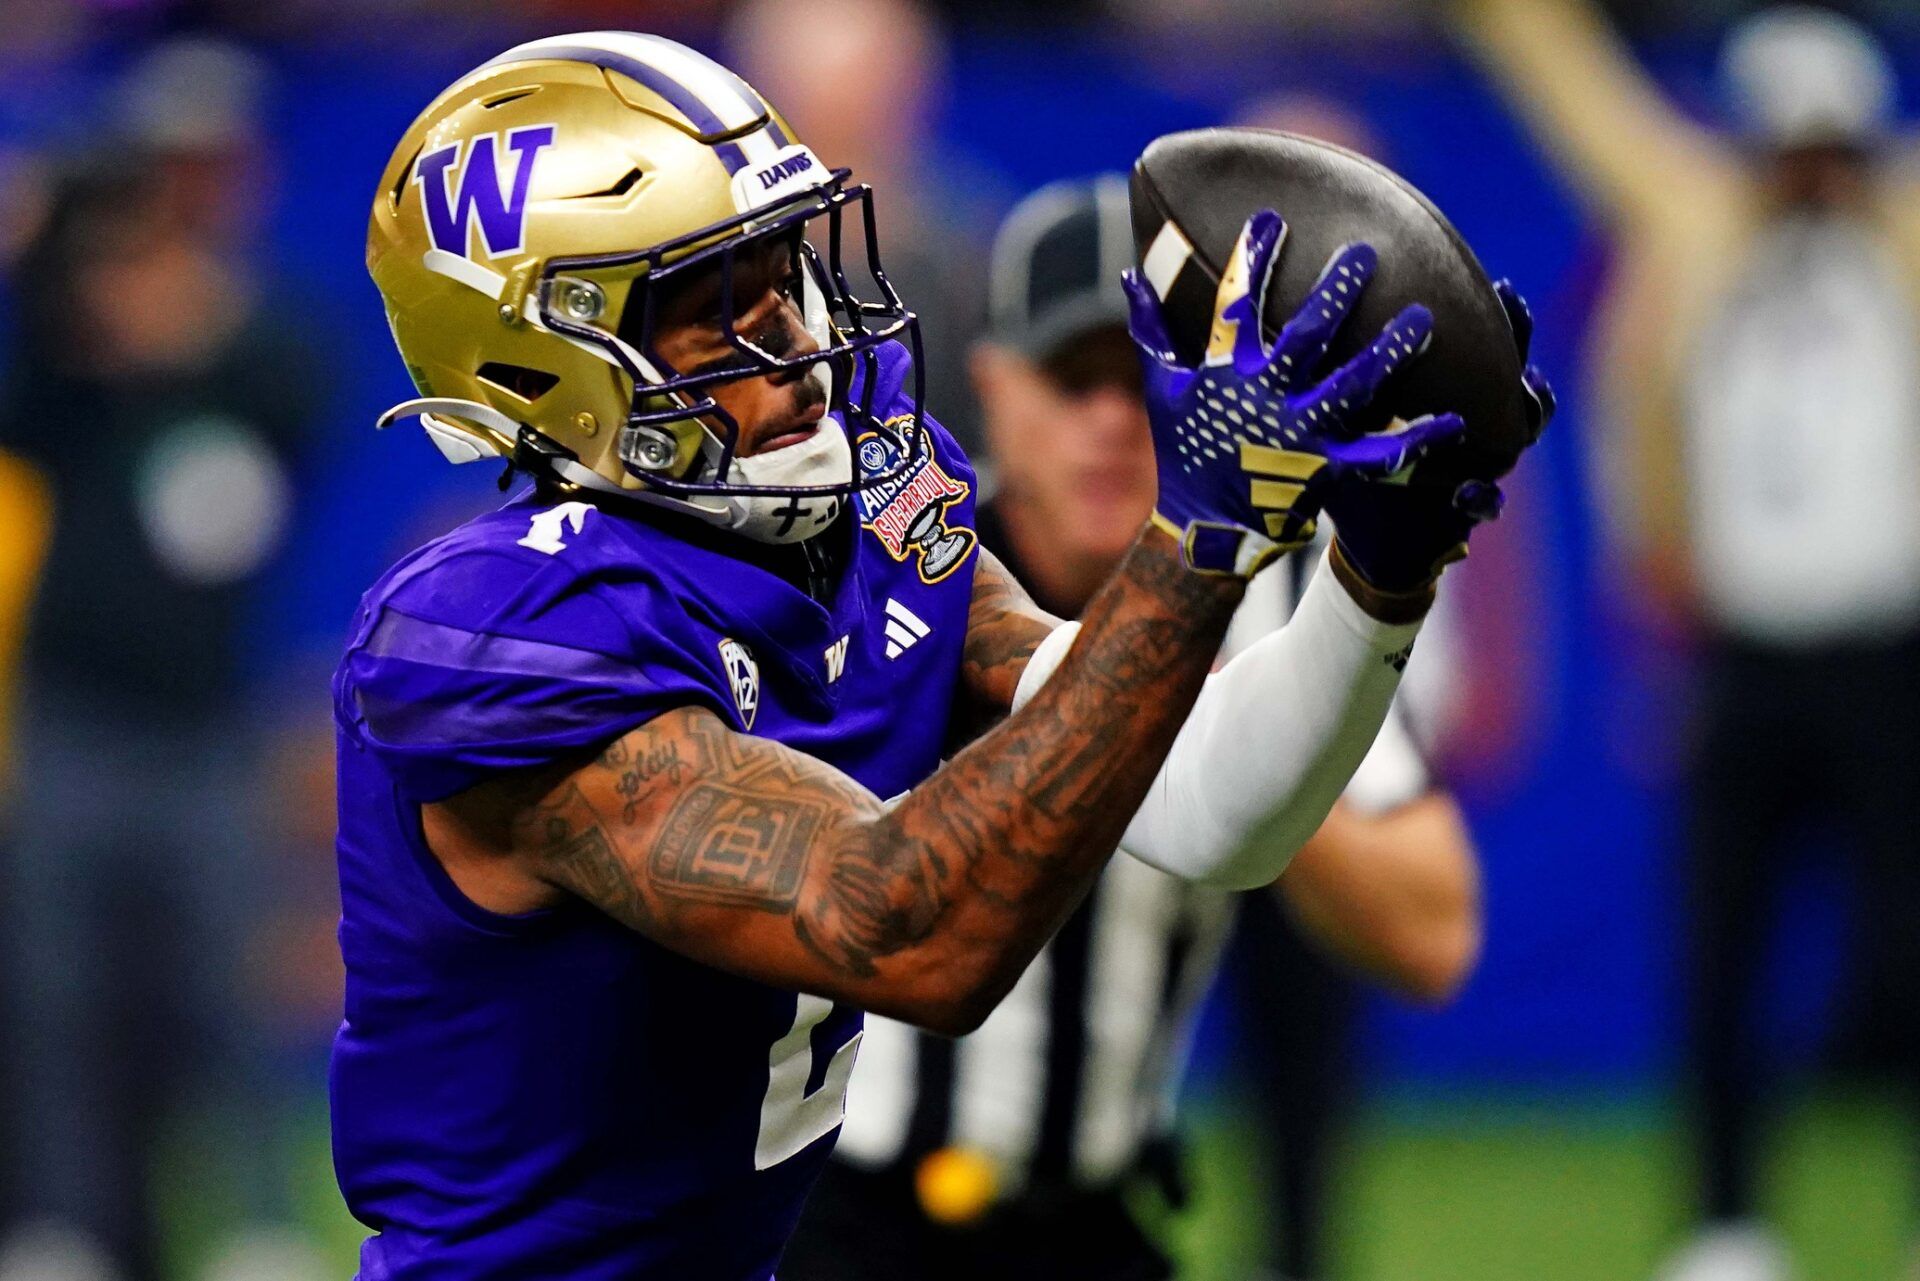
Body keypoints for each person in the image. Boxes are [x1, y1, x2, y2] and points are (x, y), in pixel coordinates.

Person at [338, 32, 1547, 1279]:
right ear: (547, 361)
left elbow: (1194, 805)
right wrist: (1196, 544)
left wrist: (1375, 584)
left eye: (782, 263)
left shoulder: (861, 502)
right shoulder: (500, 632)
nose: (789, 327)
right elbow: (906, 929)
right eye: (712, 301)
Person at [778, 176, 1486, 1281]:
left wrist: (1246, 753)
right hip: (853, 1211)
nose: (1117, 424)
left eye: (1155, 388)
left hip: (1092, 1215)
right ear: (995, 387)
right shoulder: (902, 571)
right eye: (1076, 380)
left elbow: (1431, 930)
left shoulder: (1274, 599)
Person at [1455, 4, 1920, 1279]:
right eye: (1790, 146)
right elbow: (1584, 103)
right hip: (1744, 650)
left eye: (1835, 147)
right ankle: (1727, 1225)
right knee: (1725, 955)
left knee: (1904, 950)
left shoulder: (1905, 244)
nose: (1812, 172)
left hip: (1891, 655)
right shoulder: (1699, 228)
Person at [0, 41, 327, 1281]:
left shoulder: (270, 340)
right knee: (56, 1006)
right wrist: (49, 260)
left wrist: (168, 319)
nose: (194, 188)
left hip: (205, 734)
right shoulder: (68, 349)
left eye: (214, 166)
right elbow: (26, 418)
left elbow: (280, 396)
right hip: (74, 725)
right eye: (172, 167)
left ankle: (251, 1232)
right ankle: (62, 1235)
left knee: (228, 1007)